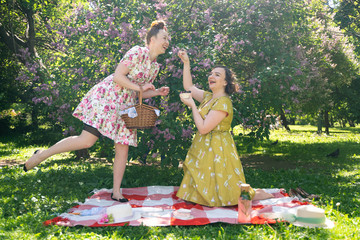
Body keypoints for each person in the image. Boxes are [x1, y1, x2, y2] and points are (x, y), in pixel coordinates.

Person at [24, 20, 170, 202]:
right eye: (164, 37)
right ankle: (42, 155)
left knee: (122, 148)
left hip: (127, 106)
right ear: (152, 39)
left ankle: (116, 192)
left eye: (168, 39)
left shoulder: (155, 66)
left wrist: (156, 91)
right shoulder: (137, 52)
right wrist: (141, 89)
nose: (167, 41)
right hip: (108, 98)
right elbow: (118, 77)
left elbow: (140, 91)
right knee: (86, 141)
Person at [176, 50, 272, 207]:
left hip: (218, 147)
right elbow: (189, 86)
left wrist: (192, 105)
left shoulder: (223, 102)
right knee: (206, 177)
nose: (211, 76)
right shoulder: (208, 97)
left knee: (227, 186)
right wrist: (186, 62)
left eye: (217, 75)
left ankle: (254, 194)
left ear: (225, 82)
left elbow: (204, 129)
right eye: (211, 73)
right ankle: (204, 196)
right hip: (203, 146)